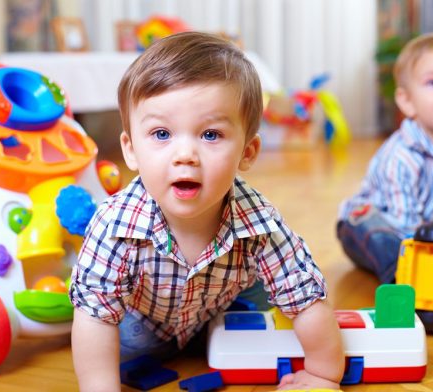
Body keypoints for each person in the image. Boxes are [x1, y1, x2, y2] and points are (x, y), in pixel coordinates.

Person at [69, 31, 344, 391]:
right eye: (162, 134)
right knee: (109, 336)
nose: (185, 155)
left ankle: (226, 331)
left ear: (247, 152)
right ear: (131, 149)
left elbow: (306, 299)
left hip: (222, 311)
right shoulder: (114, 222)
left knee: (267, 304)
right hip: (141, 327)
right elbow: (95, 315)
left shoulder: (261, 221)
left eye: (211, 135)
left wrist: (323, 374)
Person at [337, 32, 433, 283]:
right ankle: (401, 279)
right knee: (383, 237)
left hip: (428, 234)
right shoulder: (401, 157)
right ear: (406, 101)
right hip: (371, 226)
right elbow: (404, 227)